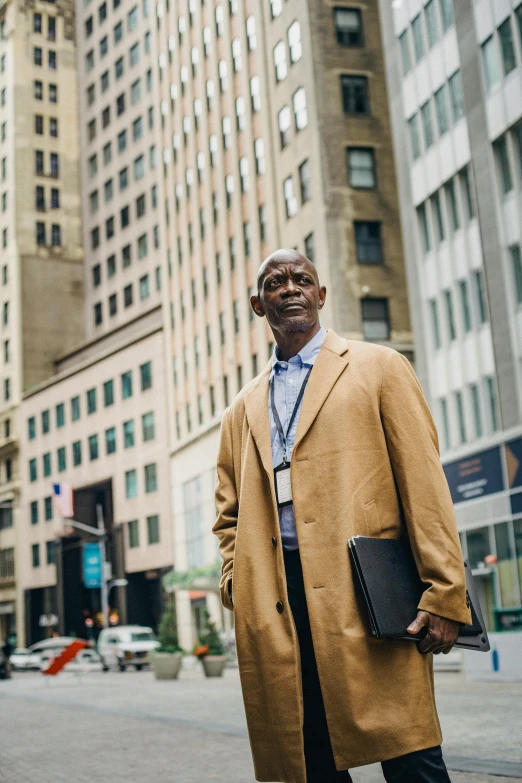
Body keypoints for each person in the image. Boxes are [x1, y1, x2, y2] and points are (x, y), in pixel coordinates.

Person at [213, 249, 471, 783]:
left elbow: (423, 487)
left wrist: (445, 592)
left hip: (370, 593)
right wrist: (238, 584)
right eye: (275, 282)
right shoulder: (242, 407)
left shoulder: (379, 367)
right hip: (280, 605)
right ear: (259, 304)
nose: (290, 288)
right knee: (308, 758)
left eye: (302, 279)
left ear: (321, 295)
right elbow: (228, 514)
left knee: (411, 754)